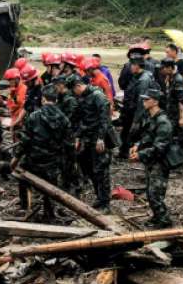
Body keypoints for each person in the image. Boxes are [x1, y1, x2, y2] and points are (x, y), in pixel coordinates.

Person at [13, 86, 73, 220]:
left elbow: (25, 140)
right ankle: (49, 214)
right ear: (56, 100)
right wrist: (68, 165)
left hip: (33, 160)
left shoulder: (34, 116)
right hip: (53, 161)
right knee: (50, 188)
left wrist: (16, 157)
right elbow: (69, 144)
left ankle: (24, 207)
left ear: (43, 99)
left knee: (22, 179)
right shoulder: (64, 119)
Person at [72, 74, 118, 212]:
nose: (74, 94)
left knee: (101, 170)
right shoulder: (84, 96)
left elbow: (105, 118)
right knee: (90, 169)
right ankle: (99, 197)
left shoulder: (97, 95)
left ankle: (105, 203)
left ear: (78, 86)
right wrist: (78, 136)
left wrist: (100, 138)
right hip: (88, 138)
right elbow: (84, 119)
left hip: (99, 138)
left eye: (74, 90)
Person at [130, 88, 174, 228]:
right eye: (143, 99)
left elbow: (160, 147)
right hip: (151, 160)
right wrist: (137, 145)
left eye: (146, 99)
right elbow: (147, 136)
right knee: (150, 192)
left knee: (155, 194)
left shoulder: (163, 121)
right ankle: (157, 217)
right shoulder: (150, 116)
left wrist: (140, 154)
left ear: (155, 101)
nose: (144, 101)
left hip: (160, 162)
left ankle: (164, 221)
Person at [119, 56, 154, 159]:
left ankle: (134, 153)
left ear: (137, 66)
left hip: (137, 113)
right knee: (128, 132)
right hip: (131, 110)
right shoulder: (137, 76)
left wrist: (136, 120)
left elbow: (141, 102)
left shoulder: (143, 80)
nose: (130, 67)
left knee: (134, 133)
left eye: (132, 65)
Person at [157, 58, 183, 150]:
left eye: (164, 69)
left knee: (180, 136)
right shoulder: (170, 77)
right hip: (171, 111)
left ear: (170, 68)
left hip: (177, 114)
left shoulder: (178, 79)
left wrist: (182, 118)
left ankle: (180, 156)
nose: (162, 71)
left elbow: (181, 100)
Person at [4, 68, 27, 133]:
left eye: (10, 80)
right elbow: (10, 102)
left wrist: (15, 122)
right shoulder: (14, 89)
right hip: (13, 116)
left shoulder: (23, 89)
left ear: (16, 79)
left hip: (19, 119)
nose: (9, 82)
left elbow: (22, 107)